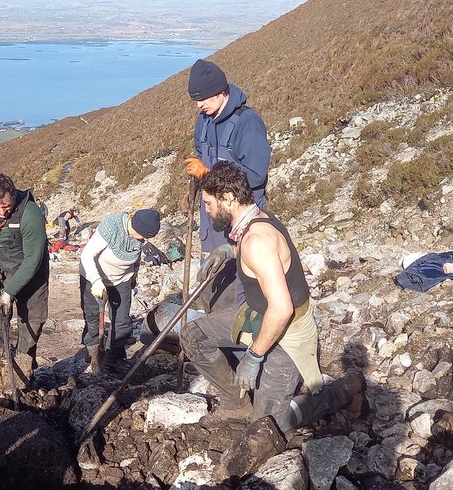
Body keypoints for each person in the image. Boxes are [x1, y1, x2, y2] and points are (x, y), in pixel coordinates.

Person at [179, 162, 363, 473]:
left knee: (270, 426)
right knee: (194, 336)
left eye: (209, 204)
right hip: (256, 317)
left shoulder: (257, 241)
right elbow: (251, 249)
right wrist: (227, 251)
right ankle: (236, 403)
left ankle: (343, 390)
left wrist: (254, 357)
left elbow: (282, 309)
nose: (207, 212)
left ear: (226, 197)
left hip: (285, 331)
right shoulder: (253, 219)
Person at [183, 58, 272, 309]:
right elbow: (200, 154)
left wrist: (207, 174)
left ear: (221, 92)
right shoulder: (205, 119)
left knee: (240, 279)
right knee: (211, 276)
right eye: (196, 100)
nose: (200, 105)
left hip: (240, 214)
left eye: (205, 99)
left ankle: (238, 336)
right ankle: (210, 325)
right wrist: (193, 188)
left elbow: (255, 175)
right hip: (212, 215)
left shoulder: (247, 122)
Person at [0, 172, 49, 383]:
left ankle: (23, 373)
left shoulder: (30, 214)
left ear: (13, 195)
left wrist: (9, 292)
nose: (3, 212)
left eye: (7, 205)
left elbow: (32, 261)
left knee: (32, 321)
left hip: (32, 274)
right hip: (0, 267)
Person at [79, 208, 162, 371]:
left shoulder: (140, 238)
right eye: (144, 236)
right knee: (93, 316)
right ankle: (93, 352)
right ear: (136, 226)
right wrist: (96, 280)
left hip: (121, 279)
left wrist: (134, 275)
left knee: (122, 321)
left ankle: (114, 357)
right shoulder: (112, 227)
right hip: (94, 277)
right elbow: (87, 255)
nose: (145, 241)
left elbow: (136, 257)